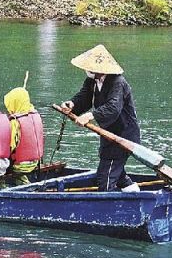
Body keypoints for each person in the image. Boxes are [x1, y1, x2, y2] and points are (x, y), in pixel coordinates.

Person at [60, 44, 141, 192]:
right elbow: (84, 97)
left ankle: (109, 204)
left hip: (123, 136)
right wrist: (71, 104)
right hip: (108, 134)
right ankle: (134, 193)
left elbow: (113, 108)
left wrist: (90, 116)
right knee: (116, 171)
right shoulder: (92, 81)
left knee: (106, 177)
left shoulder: (118, 82)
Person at [4, 87, 44, 185]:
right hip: (35, 163)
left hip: (19, 166)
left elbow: (10, 147)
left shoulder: (15, 122)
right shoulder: (36, 116)